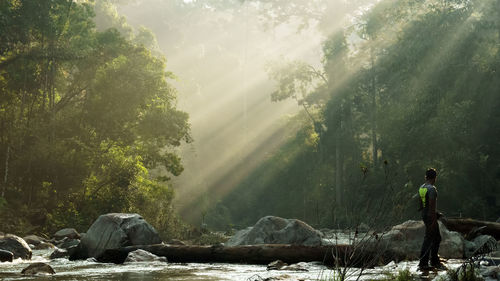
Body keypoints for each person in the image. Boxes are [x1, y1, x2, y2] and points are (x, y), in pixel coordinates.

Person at [417, 168, 446, 270]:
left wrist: (435, 213)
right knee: (430, 238)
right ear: (434, 178)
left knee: (435, 237)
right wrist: (434, 219)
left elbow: (421, 205)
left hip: (425, 214)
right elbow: (432, 206)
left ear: (426, 177)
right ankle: (424, 262)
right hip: (430, 216)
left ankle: (433, 259)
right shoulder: (432, 189)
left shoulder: (422, 187)